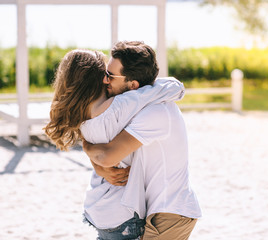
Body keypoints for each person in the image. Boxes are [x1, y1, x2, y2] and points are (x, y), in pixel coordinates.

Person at [44, 48, 186, 240]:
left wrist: (89, 152)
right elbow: (161, 90)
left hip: (97, 207)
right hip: (123, 213)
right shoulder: (119, 107)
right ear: (100, 78)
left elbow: (96, 151)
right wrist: (177, 85)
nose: (107, 79)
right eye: (106, 74)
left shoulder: (81, 119)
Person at [83, 41, 202, 240]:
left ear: (133, 85)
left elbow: (107, 154)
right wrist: (99, 166)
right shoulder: (137, 107)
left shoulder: (155, 112)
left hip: (169, 213)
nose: (105, 81)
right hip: (156, 210)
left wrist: (87, 148)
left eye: (111, 76)